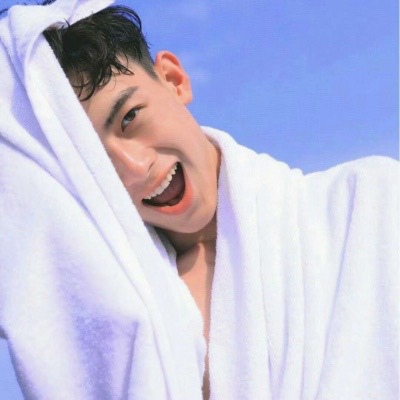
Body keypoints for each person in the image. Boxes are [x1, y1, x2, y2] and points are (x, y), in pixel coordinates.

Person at [0, 1, 398, 399]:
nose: (136, 167)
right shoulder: (127, 319)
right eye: (95, 165)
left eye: (130, 117)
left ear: (174, 80)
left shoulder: (370, 207)